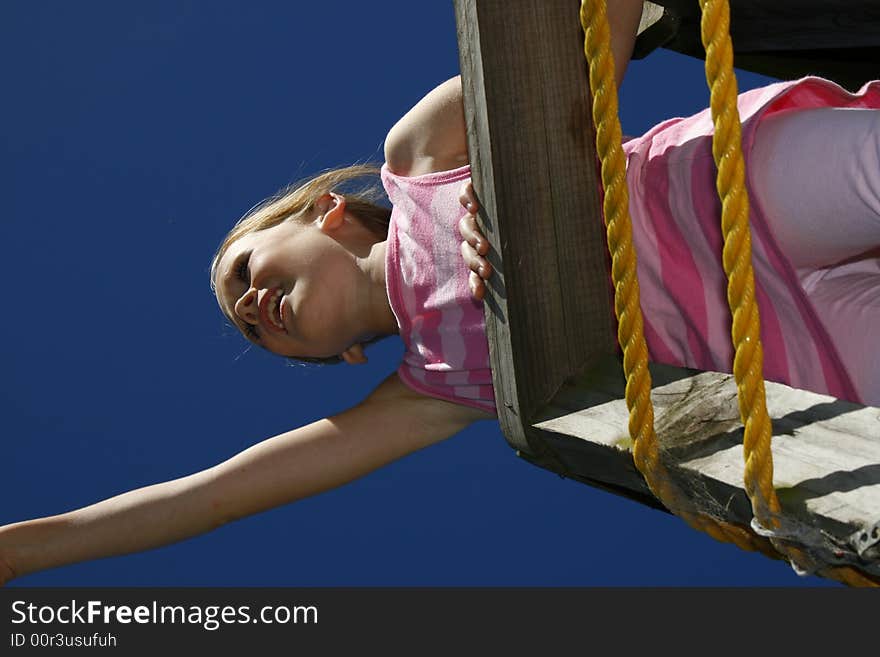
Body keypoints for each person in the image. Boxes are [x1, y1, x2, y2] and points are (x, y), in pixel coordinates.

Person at [1, 1, 877, 585]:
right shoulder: (432, 388)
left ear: (325, 213)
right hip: (800, 352)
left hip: (730, 196)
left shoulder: (419, 157)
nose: (248, 308)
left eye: (243, 274)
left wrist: (519, 197)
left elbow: (572, 49)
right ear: (340, 356)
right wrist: (18, 552)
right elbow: (209, 495)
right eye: (255, 332)